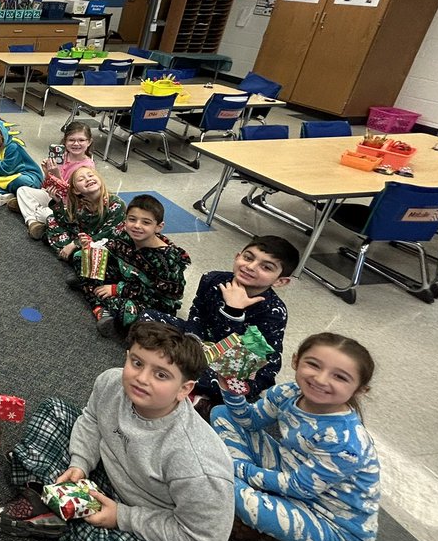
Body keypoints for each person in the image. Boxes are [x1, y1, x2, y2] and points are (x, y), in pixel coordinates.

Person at [0, 321, 233, 541]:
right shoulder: (111, 382)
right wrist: (80, 463)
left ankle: (55, 513)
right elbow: (91, 419)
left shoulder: (196, 460)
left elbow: (206, 540)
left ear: (185, 389)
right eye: (136, 362)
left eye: (161, 374)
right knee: (53, 410)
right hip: (107, 472)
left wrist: (122, 518)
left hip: (152, 517)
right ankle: (68, 515)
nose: (141, 378)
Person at [211, 332, 380, 541]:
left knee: (225, 485)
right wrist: (232, 392)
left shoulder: (346, 441)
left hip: (335, 527)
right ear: (295, 360)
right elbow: (249, 421)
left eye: (340, 377)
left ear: (360, 390)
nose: (320, 379)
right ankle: (250, 491)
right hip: (289, 473)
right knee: (222, 414)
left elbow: (300, 487)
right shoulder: (288, 392)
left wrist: (237, 469)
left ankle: (247, 494)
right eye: (313, 365)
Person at [142, 236, 299, 416]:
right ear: (237, 256)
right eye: (248, 257)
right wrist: (193, 343)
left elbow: (250, 355)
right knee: (148, 318)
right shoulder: (212, 279)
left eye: (266, 267)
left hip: (237, 362)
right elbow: (197, 313)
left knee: (229, 386)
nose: (251, 267)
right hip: (202, 344)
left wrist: (234, 311)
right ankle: (184, 378)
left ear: (280, 281)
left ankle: (199, 396)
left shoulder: (274, 311)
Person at [82, 195, 191, 339]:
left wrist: (118, 289)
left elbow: (165, 298)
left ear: (159, 227)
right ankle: (101, 308)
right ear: (125, 220)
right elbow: (109, 248)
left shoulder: (168, 260)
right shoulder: (125, 236)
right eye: (132, 219)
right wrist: (92, 247)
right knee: (84, 258)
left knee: (130, 312)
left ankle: (99, 305)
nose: (137, 226)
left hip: (150, 303)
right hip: (126, 281)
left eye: (146, 222)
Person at [13, 121, 97, 234]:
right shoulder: (61, 156)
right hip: (52, 195)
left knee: (46, 214)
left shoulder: (87, 166)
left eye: (81, 140)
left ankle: (31, 210)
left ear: (89, 142)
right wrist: (47, 173)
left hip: (68, 204)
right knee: (22, 190)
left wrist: (57, 175)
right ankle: (32, 222)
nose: (76, 144)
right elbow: (47, 184)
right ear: (65, 141)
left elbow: (73, 193)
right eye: (71, 140)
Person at [43, 166, 126, 254]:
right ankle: (68, 251)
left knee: (88, 253)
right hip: (83, 238)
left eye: (90, 175)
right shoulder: (81, 203)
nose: (88, 179)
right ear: (76, 191)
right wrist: (57, 202)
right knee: (51, 219)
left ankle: (66, 251)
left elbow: (108, 234)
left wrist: (75, 244)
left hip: (103, 243)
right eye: (81, 179)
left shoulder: (116, 204)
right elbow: (67, 223)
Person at [0, 119, 43, 208]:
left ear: (3, 133)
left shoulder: (13, 147)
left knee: (20, 181)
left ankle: (13, 194)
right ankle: (4, 196)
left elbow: (6, 169)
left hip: (29, 175)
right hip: (11, 175)